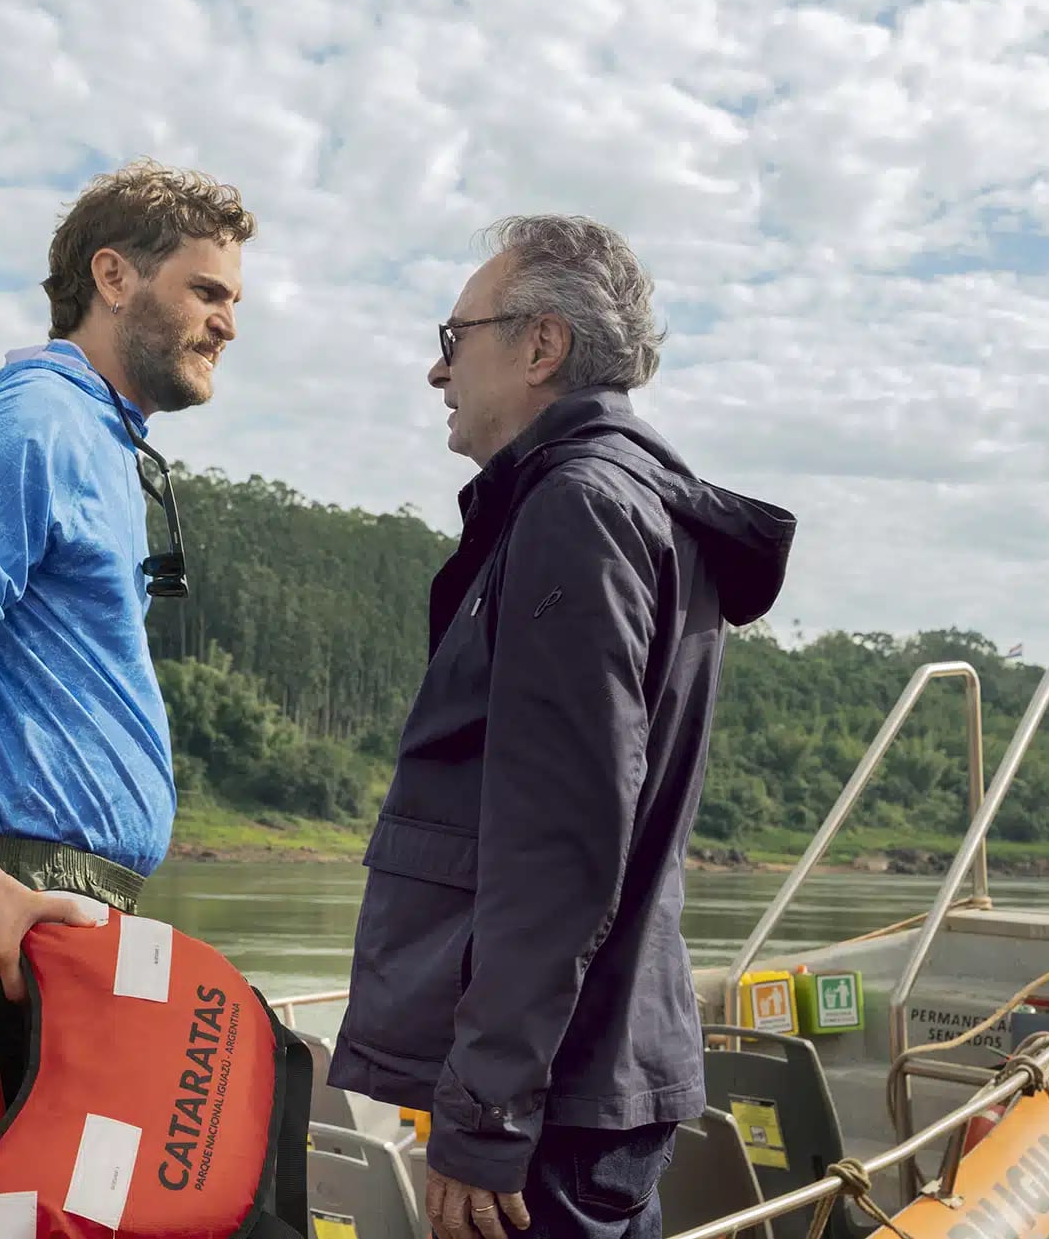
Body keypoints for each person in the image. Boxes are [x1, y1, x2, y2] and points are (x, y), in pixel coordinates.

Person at [326, 215, 797, 1239]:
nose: (435, 371)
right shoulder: (625, 501)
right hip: (592, 1075)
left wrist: (490, 1112)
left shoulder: (577, 508)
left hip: (557, 1103)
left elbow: (560, 845)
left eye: (455, 338)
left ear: (540, 345)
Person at [0, 159, 253, 1001]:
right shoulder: (37, 416)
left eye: (233, 301)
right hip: (9, 891)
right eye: (207, 293)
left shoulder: (103, 438)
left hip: (63, 892)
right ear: (113, 276)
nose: (228, 324)